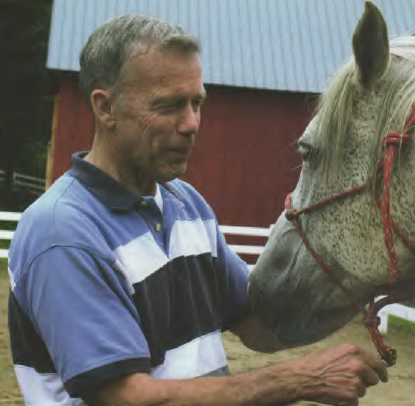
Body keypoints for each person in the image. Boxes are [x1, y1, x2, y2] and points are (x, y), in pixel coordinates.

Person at [7, 14, 387, 406]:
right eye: (170, 105)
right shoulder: (62, 233)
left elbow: (260, 324)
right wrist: (301, 380)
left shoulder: (185, 204)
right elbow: (127, 398)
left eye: (197, 103)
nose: (191, 124)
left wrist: (370, 279)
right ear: (106, 108)